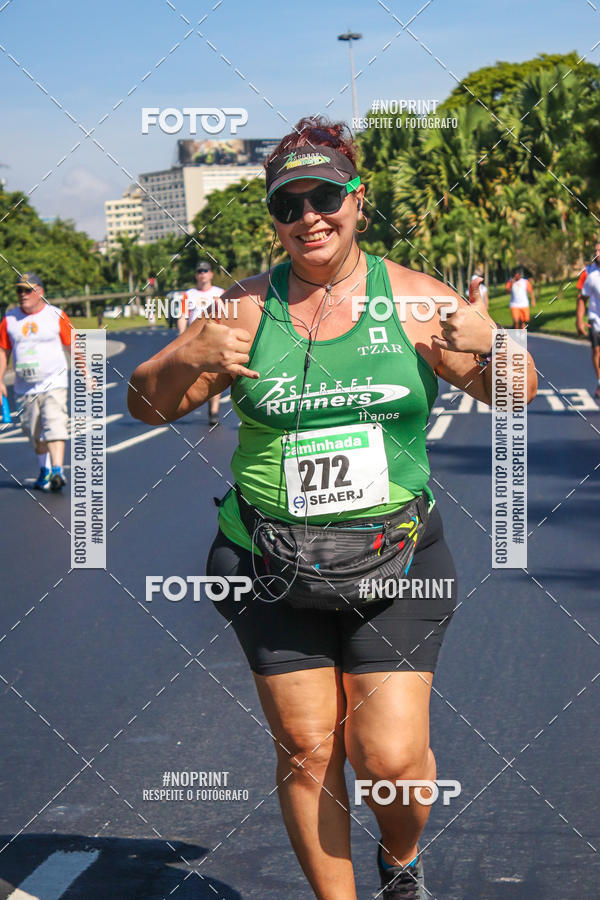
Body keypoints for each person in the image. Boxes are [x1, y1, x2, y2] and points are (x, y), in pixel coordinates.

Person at [128, 117, 538, 899]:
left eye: (326, 197)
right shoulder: (241, 313)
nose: (309, 216)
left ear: (357, 201)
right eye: (290, 204)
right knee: (308, 746)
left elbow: (516, 392)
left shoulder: (417, 302)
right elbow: (144, 407)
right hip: (267, 561)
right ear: (274, 218)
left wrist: (493, 344)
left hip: (397, 563)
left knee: (388, 759)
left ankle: (402, 861)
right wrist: (182, 356)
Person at [0, 273, 71, 491]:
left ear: (40, 292)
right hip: (24, 388)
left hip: (54, 382)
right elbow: (3, 351)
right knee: (33, 432)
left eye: (27, 290)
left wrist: (87, 372)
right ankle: (45, 469)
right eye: (19, 290)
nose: (22, 295)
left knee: (55, 423)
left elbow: (73, 346)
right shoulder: (9, 320)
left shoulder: (56, 315)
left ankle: (58, 470)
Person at [177, 261, 224, 426]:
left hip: (214, 337)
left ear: (211, 274)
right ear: (196, 275)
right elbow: (183, 316)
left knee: (214, 374)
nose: (202, 274)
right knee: (200, 375)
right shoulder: (189, 294)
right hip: (195, 338)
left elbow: (228, 315)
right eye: (199, 271)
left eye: (205, 271)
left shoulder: (220, 293)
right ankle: (206, 400)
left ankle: (214, 410)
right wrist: (181, 337)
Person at [576, 242, 600, 399]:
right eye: (596, 250)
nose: (597, 252)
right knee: (597, 350)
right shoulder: (589, 274)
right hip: (595, 318)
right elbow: (582, 298)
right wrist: (579, 320)